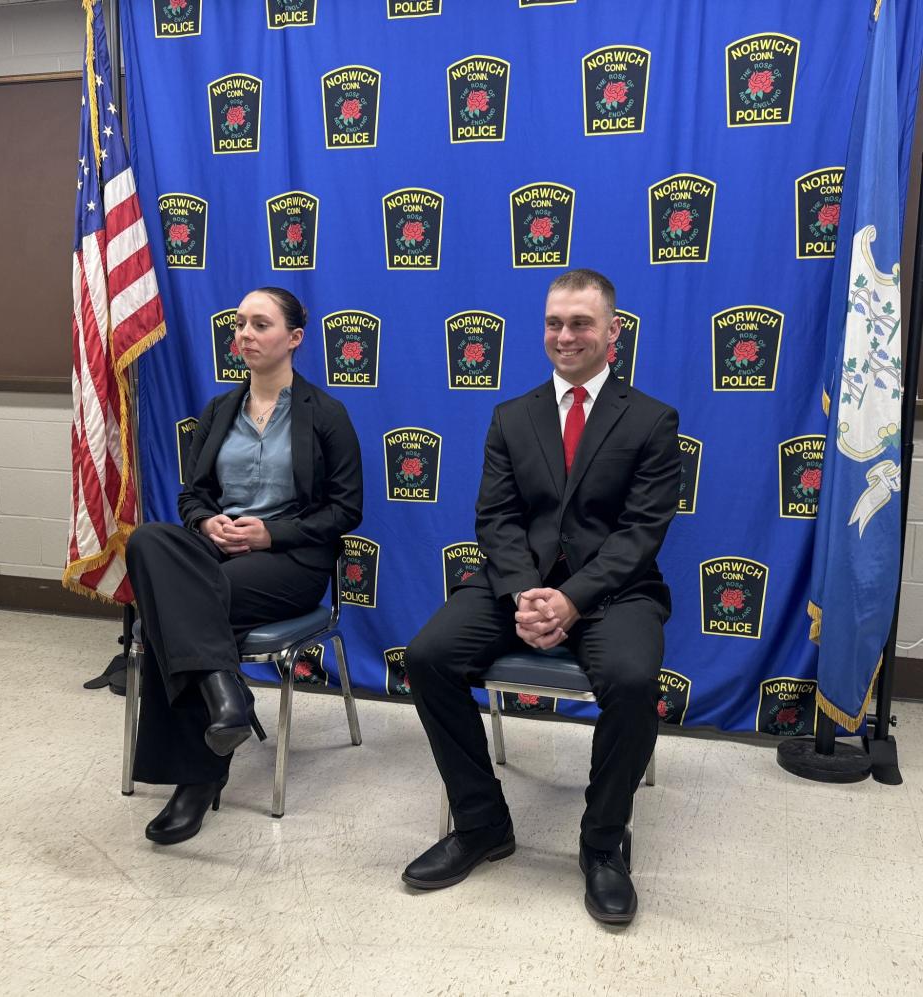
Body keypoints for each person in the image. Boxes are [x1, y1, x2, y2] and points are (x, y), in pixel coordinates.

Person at [402, 269, 680, 924]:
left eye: (580, 322)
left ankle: (603, 842)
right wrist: (528, 592)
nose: (565, 335)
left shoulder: (651, 420)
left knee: (635, 678)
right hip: (515, 585)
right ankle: (481, 823)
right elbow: (495, 520)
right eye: (554, 322)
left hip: (615, 592)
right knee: (427, 655)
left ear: (614, 332)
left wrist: (572, 599)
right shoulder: (512, 416)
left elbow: (641, 532)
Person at [125, 286, 363, 845]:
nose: (245, 336)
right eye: (240, 325)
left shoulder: (325, 414)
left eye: (260, 325)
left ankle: (197, 781)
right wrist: (208, 524)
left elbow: (346, 509)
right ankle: (224, 696)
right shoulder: (220, 409)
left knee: (176, 608)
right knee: (148, 541)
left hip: (291, 559)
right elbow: (193, 496)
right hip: (217, 549)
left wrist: (270, 532)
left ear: (294, 339)